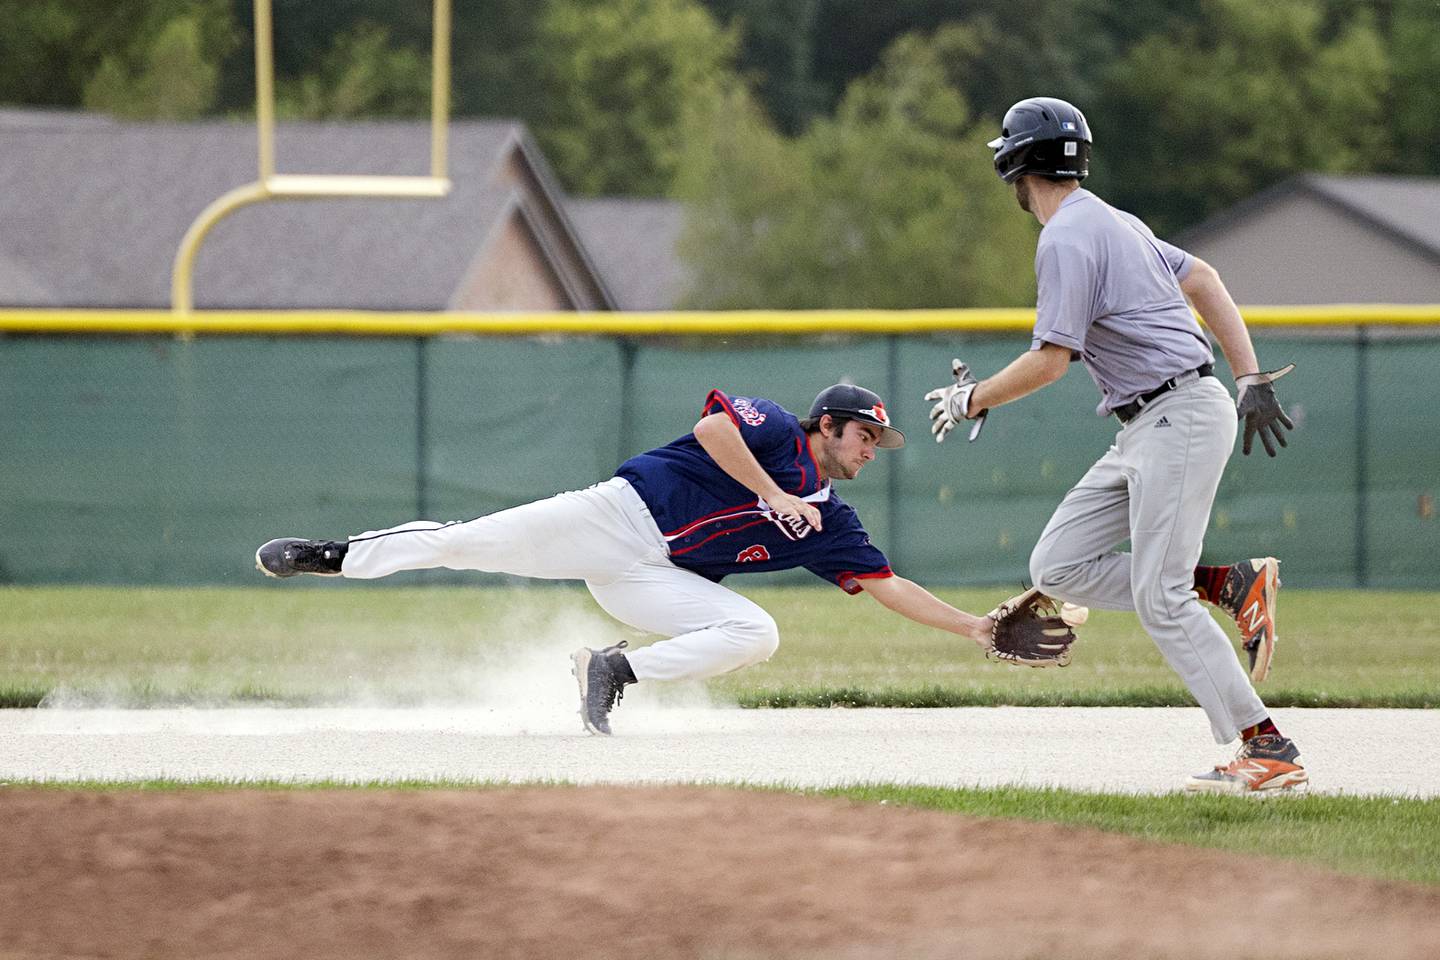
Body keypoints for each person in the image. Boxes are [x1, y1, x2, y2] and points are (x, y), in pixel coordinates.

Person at [926, 96, 1304, 794]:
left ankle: (1267, 748)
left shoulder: (1068, 236)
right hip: (1148, 422)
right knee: (1059, 564)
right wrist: (1246, 373)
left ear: (1015, 163)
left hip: (1176, 413)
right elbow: (1206, 280)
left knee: (1160, 598)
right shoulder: (1114, 220)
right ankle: (1225, 584)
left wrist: (971, 398)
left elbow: (1049, 361)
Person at [257, 384, 1006, 735]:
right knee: (468, 540)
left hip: (653, 580)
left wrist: (976, 629)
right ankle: (333, 555)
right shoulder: (776, 430)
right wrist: (775, 492)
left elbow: (889, 584)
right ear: (831, 426)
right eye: (865, 438)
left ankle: (612, 671)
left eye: (876, 445)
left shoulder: (829, 521)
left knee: (758, 635)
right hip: (615, 516)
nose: (872, 453)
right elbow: (713, 429)